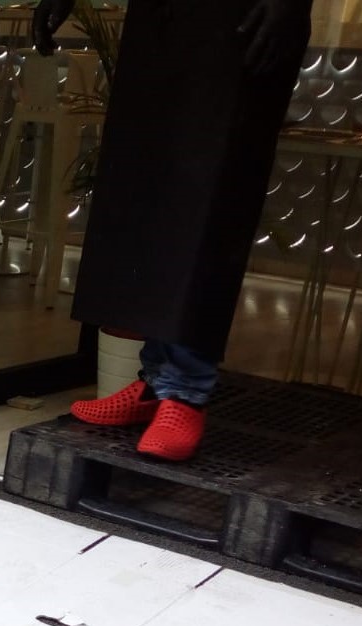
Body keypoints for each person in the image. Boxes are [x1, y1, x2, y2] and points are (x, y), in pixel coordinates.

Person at [33, 0, 312, 461]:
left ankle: (185, 393)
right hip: (165, 19)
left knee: (212, 191)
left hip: (242, 18)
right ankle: (156, 381)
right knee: (152, 189)